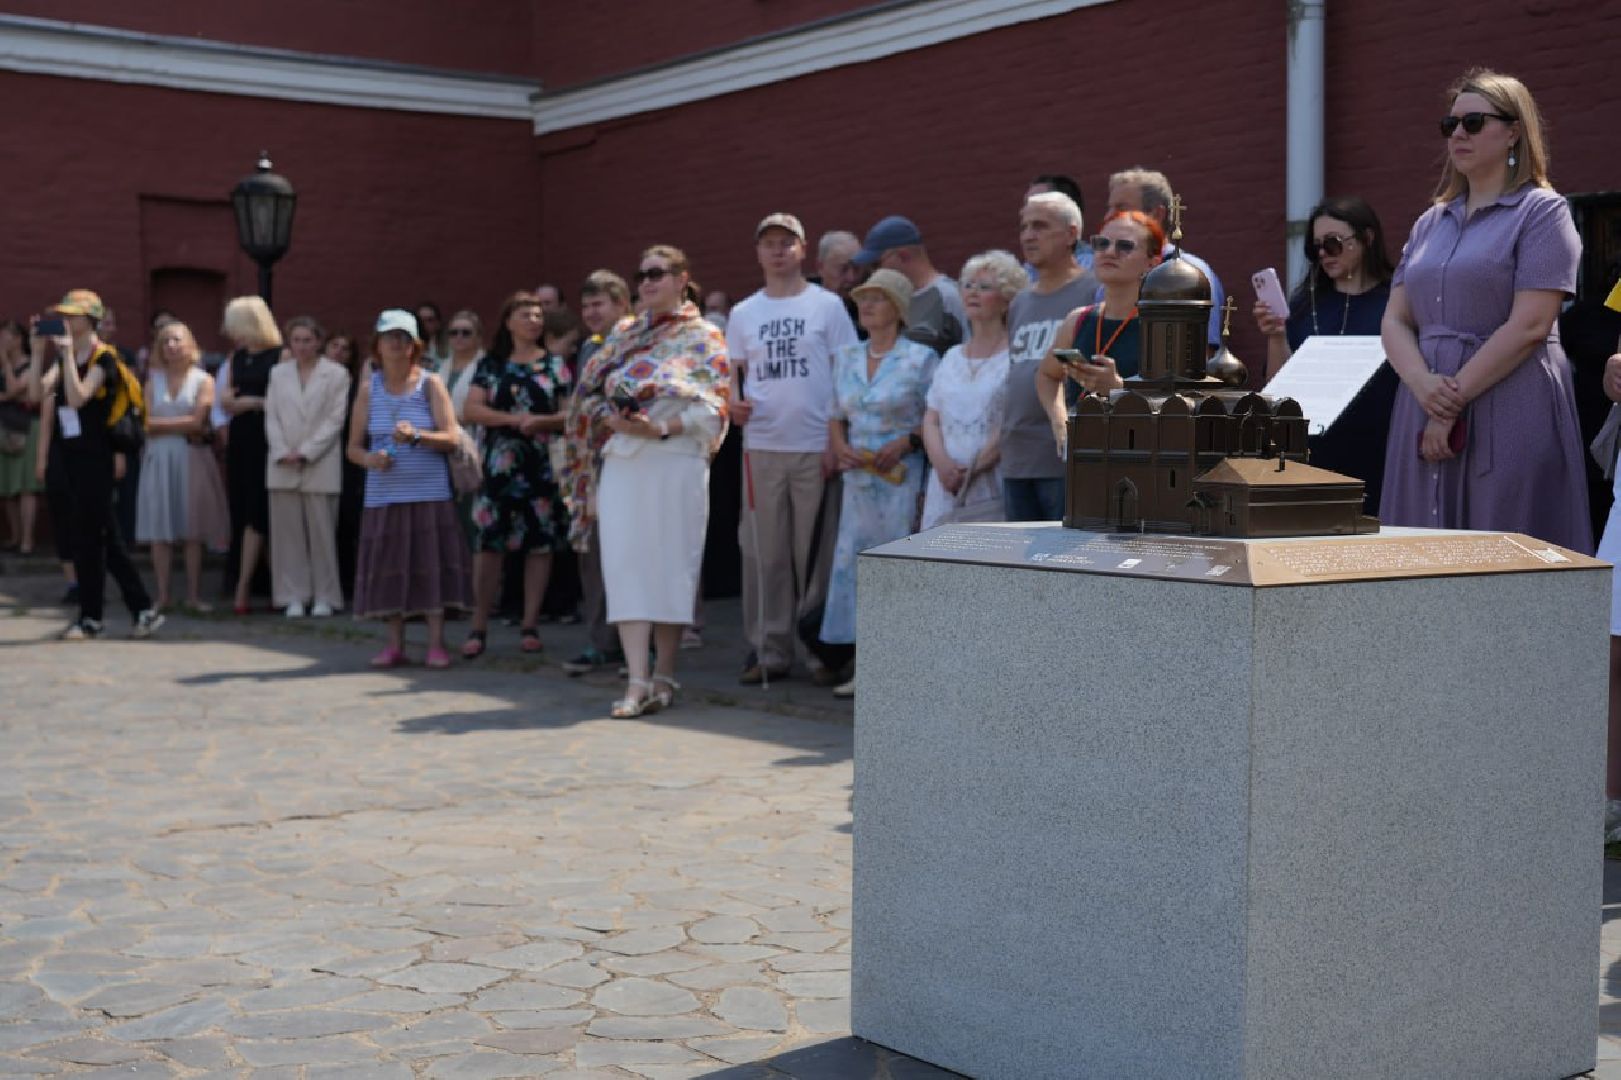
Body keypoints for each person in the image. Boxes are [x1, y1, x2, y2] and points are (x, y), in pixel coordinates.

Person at [1380, 68, 1590, 553]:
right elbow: (1395, 318)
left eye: (1473, 123)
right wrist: (1423, 386)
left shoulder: (1542, 212)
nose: (1457, 134)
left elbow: (1532, 324)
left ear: (1513, 130)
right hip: (1424, 394)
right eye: (1450, 124)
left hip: (1510, 396)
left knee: (1504, 544)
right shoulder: (1430, 221)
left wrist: (1448, 400)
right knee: (1417, 549)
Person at [561, 245, 729, 718]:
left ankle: (665, 674)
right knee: (626, 564)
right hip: (625, 461)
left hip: (675, 458)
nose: (648, 282)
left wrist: (659, 426)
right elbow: (587, 395)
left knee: (671, 565)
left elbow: (713, 408)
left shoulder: (705, 336)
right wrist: (612, 419)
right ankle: (636, 680)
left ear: (682, 278)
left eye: (658, 273)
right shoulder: (622, 335)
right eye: (642, 274)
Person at [727, 212, 861, 684]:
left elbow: (847, 374)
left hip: (814, 445)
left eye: (787, 242)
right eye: (770, 243)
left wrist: (834, 437)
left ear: (803, 251)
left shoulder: (826, 307)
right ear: (758, 252)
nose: (778, 250)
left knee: (816, 554)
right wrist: (733, 406)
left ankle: (819, 646)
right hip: (761, 447)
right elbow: (733, 380)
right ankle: (768, 647)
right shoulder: (744, 314)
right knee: (766, 553)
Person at [820, 269, 938, 697]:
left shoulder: (920, 358)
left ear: (899, 308)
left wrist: (907, 441)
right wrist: (838, 446)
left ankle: (899, 663)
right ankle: (863, 664)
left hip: (900, 480)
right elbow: (835, 413)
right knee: (855, 567)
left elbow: (934, 416)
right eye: (863, 298)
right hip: (857, 482)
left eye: (878, 298)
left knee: (895, 566)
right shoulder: (848, 356)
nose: (866, 305)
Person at [26, 290, 163, 640]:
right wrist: (40, 351)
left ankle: (97, 617)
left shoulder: (106, 359)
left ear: (90, 321)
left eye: (72, 317)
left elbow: (77, 396)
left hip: (95, 458)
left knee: (96, 536)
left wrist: (69, 354)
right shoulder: (63, 360)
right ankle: (133, 611)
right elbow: (34, 395)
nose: (66, 322)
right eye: (63, 316)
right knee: (98, 537)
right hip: (69, 456)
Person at [1253, 195, 1399, 511]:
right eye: (1314, 247)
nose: (1322, 254)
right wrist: (1276, 337)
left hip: (1379, 447)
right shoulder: (1305, 306)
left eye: (1332, 244)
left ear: (1367, 238)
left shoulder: (1396, 302)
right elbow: (1276, 390)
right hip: (1314, 451)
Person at [346, 309, 470, 667]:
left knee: (430, 567)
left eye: (403, 338)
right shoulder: (369, 390)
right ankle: (394, 644)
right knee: (390, 568)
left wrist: (417, 436)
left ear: (414, 346)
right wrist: (371, 459)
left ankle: (436, 644)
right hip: (384, 495)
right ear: (377, 345)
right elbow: (353, 448)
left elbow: (450, 436)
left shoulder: (431, 384)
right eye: (389, 337)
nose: (395, 344)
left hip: (429, 493)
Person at [461, 292, 571, 658]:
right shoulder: (492, 364)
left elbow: (570, 415)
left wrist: (542, 422)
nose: (533, 321)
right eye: (525, 314)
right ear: (508, 322)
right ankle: (478, 625)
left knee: (539, 545)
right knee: (489, 546)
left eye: (538, 315)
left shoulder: (555, 366)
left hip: (540, 467)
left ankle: (530, 623)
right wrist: (512, 420)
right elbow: (472, 410)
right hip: (498, 468)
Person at [1006, 192, 1099, 520]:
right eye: (1024, 227)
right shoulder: (1019, 302)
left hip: (1061, 455)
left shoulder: (1092, 291)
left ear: (1072, 234)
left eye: (1040, 226)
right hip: (1017, 456)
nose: (1028, 235)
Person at [560, 270, 634, 677]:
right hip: (592, 463)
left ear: (622, 304)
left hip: (626, 456)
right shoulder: (590, 347)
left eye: (598, 304)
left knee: (628, 553)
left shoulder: (635, 342)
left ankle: (636, 646)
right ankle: (600, 641)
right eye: (585, 305)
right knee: (594, 554)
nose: (590, 312)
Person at [920, 251, 1023, 530]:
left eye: (985, 287)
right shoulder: (952, 356)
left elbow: (1012, 422)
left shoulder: (1016, 355)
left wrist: (972, 471)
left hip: (988, 483)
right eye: (968, 285)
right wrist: (942, 465)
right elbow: (931, 417)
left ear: (1007, 300)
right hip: (943, 483)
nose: (973, 293)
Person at [135, 320, 229, 611]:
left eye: (176, 340)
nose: (171, 346)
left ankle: (193, 595)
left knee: (192, 529)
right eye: (165, 341)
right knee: (160, 530)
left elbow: (198, 421)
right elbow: (143, 423)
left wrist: (163, 424)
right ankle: (163, 595)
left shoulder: (203, 380)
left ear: (190, 345)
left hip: (191, 458)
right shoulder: (153, 381)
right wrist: (181, 424)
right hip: (159, 458)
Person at [266, 315, 351, 618]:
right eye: (296, 340)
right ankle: (292, 595)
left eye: (308, 340)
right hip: (282, 461)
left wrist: (306, 451)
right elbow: (271, 416)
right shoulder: (278, 373)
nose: (301, 346)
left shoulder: (337, 374)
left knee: (322, 533)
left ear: (318, 342)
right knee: (287, 535)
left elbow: (335, 420)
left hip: (320, 461)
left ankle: (325, 596)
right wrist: (281, 450)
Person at [1038, 211, 1165, 406]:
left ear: (1152, 264)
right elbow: (1047, 375)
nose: (1109, 252)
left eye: (1125, 246)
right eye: (1102, 243)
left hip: (1136, 436)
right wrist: (1061, 426)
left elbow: (1180, 403)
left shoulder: (1164, 326)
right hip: (1083, 436)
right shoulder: (1078, 319)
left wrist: (1118, 389)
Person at [1105, 168, 1226, 351]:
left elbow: (1199, 357)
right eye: (1110, 208)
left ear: (1156, 214)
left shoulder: (1189, 275)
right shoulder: (1110, 272)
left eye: (1121, 208)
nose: (1108, 217)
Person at [219, 295, 282, 615]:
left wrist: (252, 402)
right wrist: (235, 402)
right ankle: (273, 586)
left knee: (261, 513)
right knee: (246, 510)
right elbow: (226, 397)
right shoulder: (237, 357)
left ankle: (246, 587)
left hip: (267, 438)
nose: (234, 334)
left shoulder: (278, 356)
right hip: (242, 438)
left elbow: (284, 400)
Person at [851, 215, 967, 351]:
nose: (874, 273)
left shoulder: (948, 296)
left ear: (903, 256)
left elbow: (973, 351)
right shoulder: (887, 298)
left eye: (876, 264)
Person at [326, 332, 368, 600]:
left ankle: (353, 581)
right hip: (322, 455)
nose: (340, 352)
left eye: (346, 348)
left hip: (349, 457)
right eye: (335, 346)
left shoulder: (356, 385)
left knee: (351, 519)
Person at [0, 319, 44, 553]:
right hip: (4, 428)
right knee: (7, 487)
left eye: (6, 335)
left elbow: (15, 388)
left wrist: (6, 363)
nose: (2, 340)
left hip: (28, 428)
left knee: (27, 487)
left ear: (19, 339)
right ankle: (15, 537)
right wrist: (10, 396)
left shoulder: (30, 365)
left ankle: (28, 539)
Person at [1027, 173, 1095, 273]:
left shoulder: (1096, 269)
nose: (1028, 236)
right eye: (1027, 206)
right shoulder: (1026, 271)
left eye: (1038, 205)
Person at [415, 302, 450, 368]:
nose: (424, 324)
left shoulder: (448, 347)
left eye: (429, 320)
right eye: (420, 320)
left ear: (438, 323)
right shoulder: (407, 346)